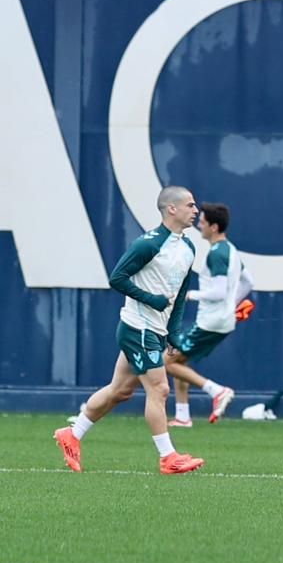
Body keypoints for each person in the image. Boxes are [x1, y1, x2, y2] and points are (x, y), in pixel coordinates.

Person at [54, 186, 204, 475]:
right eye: (190, 205)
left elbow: (180, 293)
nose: (195, 210)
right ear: (171, 209)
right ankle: (168, 457)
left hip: (155, 330)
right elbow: (117, 278)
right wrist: (151, 300)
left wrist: (173, 331)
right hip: (139, 328)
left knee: (119, 391)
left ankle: (71, 434)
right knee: (159, 389)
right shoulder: (147, 244)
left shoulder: (187, 248)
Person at [164, 202, 255, 426]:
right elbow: (248, 282)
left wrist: (188, 295)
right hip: (220, 319)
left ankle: (217, 391)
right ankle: (183, 416)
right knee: (178, 360)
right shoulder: (230, 250)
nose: (199, 225)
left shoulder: (217, 253)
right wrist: (232, 305)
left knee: (168, 362)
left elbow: (218, 292)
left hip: (211, 321)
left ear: (214, 227)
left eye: (203, 222)